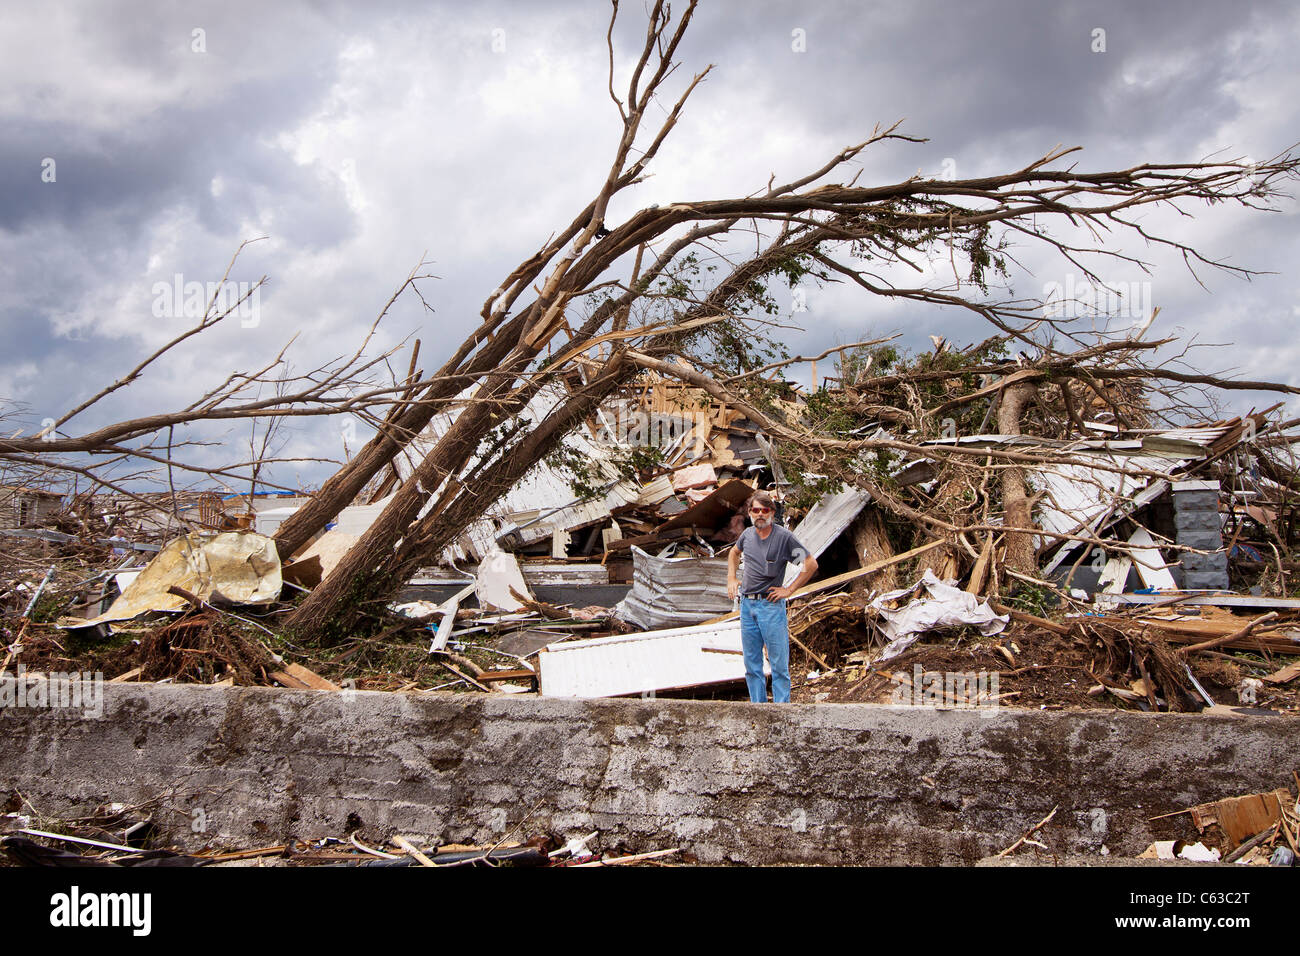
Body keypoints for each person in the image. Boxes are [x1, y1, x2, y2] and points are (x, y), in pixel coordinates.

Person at [726, 491, 818, 703]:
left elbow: (810, 564)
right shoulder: (747, 536)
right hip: (748, 605)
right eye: (755, 510)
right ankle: (759, 709)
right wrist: (731, 578)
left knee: (778, 664)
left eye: (764, 510)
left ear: (772, 513)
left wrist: (789, 589)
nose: (760, 514)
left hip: (770, 606)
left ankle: (781, 712)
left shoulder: (783, 538)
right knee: (752, 664)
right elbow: (733, 553)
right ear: (750, 513)